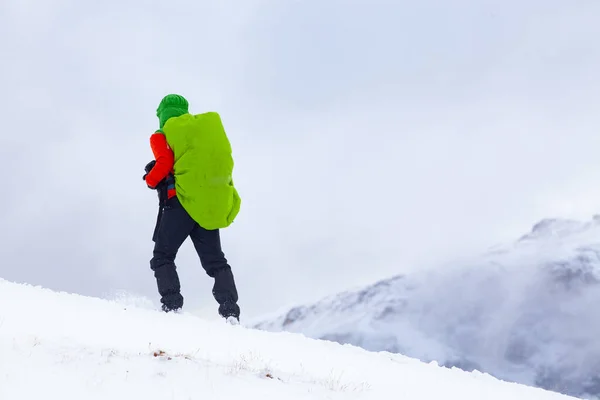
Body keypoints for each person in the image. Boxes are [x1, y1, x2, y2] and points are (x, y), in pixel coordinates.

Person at [143, 94, 242, 323]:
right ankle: (230, 312)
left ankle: (172, 308)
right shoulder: (201, 132)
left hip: (179, 206)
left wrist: (150, 179)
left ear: (162, 114)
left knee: (162, 256)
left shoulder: (162, 135)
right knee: (216, 261)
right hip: (205, 208)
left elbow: (165, 163)